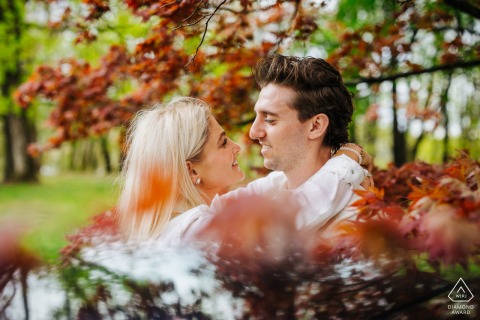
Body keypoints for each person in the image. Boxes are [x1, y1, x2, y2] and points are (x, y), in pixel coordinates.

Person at [116, 95, 370, 243]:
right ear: (191, 171)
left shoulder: (178, 223)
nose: (237, 146)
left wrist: (302, 165)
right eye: (223, 142)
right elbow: (291, 217)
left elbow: (255, 194)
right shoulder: (194, 233)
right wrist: (347, 159)